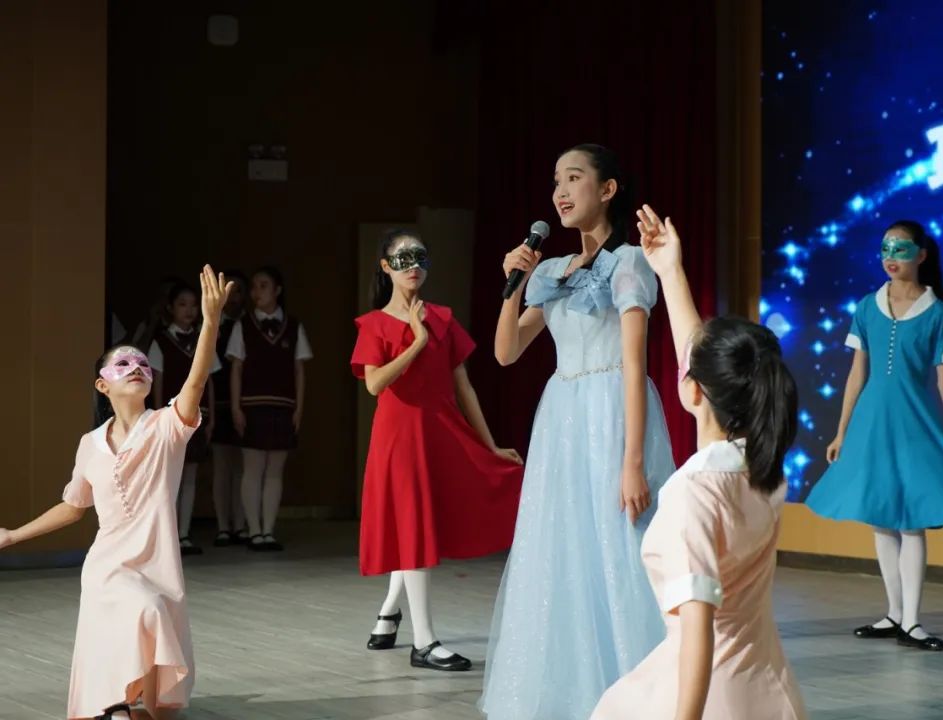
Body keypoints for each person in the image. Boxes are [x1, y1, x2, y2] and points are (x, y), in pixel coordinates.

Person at [480, 144, 676, 719]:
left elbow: (636, 364)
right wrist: (514, 283)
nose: (561, 192)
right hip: (562, 421)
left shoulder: (630, 262)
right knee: (562, 550)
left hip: (612, 411)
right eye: (556, 181)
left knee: (621, 548)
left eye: (574, 178)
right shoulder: (550, 271)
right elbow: (506, 351)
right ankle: (574, 692)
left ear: (607, 189)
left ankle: (642, 692)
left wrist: (633, 461)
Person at [591, 205, 807, 720]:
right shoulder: (763, 467)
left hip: (710, 696)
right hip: (767, 689)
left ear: (692, 391)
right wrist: (670, 271)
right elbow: (702, 360)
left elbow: (698, 631)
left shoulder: (695, 492)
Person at [0, 266, 232, 720]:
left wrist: (210, 322)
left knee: (157, 678)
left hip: (157, 566)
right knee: (140, 608)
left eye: (142, 364)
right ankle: (115, 705)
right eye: (123, 364)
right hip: (107, 567)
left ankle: (127, 703)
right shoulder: (90, 444)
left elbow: (197, 381)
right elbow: (73, 507)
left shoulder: (167, 427)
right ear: (102, 385)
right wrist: (12, 535)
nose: (136, 368)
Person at [352, 230, 524, 671]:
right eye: (403, 258)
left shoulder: (443, 318)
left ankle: (389, 614)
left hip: (440, 432)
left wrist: (489, 444)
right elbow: (374, 383)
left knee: (418, 525)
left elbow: (464, 387)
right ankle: (424, 642)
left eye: (420, 257)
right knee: (412, 528)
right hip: (398, 439)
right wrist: (416, 342)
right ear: (385, 267)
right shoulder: (374, 324)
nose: (413, 265)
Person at [806, 220, 943, 651]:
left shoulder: (936, 314)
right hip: (871, 423)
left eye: (901, 248)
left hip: (914, 424)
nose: (891, 256)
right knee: (882, 519)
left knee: (912, 520)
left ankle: (914, 623)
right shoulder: (867, 306)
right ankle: (895, 614)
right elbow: (856, 373)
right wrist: (841, 431)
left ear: (921, 255)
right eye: (885, 248)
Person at [226, 266, 313, 552]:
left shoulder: (294, 326)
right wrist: (236, 407)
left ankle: (268, 531)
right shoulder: (243, 325)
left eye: (263, 286)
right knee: (252, 469)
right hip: (251, 405)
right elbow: (236, 369)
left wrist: (299, 408)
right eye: (254, 287)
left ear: (277, 290)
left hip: (283, 406)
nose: (256, 292)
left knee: (275, 470)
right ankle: (254, 530)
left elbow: (299, 370)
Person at [148, 282, 222, 556]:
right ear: (170, 308)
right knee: (170, 479)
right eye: (182, 304)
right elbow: (157, 382)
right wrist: (159, 417)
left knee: (190, 476)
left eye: (193, 305)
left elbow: (208, 381)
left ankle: (184, 534)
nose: (189, 310)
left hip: (197, 418)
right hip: (170, 419)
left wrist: (211, 416)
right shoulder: (161, 342)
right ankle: (168, 537)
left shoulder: (204, 339)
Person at [210, 270, 249, 546]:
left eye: (238, 292)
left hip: (247, 404)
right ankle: (224, 526)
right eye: (229, 291)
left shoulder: (249, 325)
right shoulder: (211, 324)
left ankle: (242, 524)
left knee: (243, 468)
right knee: (222, 467)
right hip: (219, 403)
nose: (233, 297)